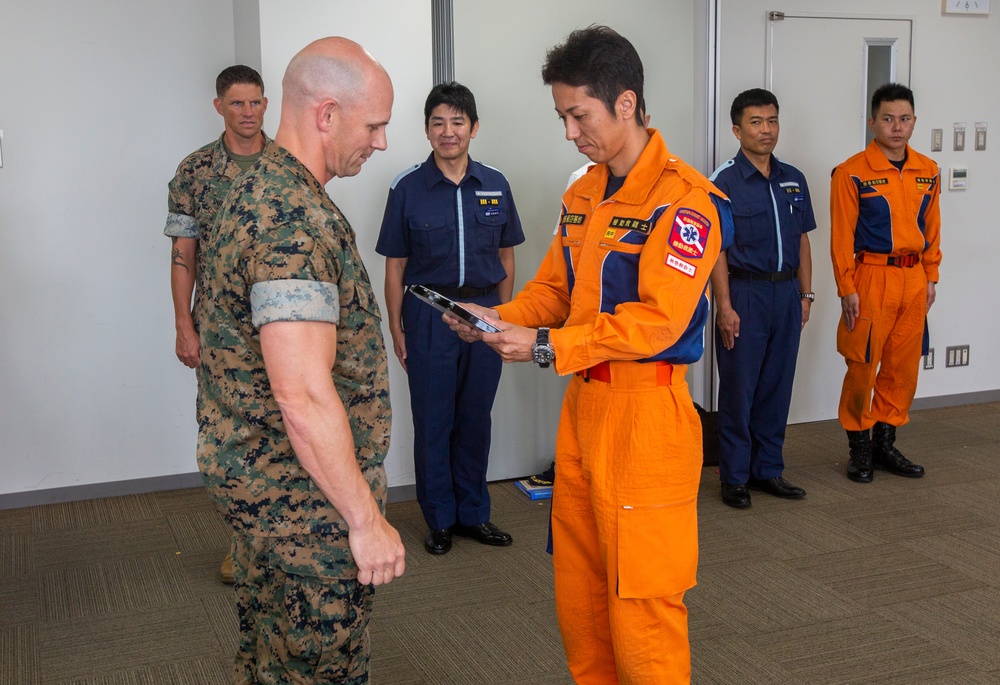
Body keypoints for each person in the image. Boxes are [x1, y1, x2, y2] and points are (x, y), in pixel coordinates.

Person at [446, 26, 732, 684]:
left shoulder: (685, 202)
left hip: (647, 418)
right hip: (585, 411)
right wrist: (498, 317)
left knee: (642, 612)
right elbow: (553, 290)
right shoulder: (586, 193)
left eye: (579, 115)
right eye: (562, 117)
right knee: (581, 599)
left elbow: (657, 321)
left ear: (624, 104)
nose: (570, 132)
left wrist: (544, 345)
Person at [196, 37, 405, 683]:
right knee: (317, 666)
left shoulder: (255, 187)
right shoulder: (292, 220)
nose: (381, 142)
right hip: (303, 505)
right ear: (326, 114)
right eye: (374, 125)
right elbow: (302, 393)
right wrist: (365, 521)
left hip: (262, 492)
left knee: (269, 652)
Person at [376, 83, 523, 556]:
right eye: (438, 122)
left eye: (458, 122)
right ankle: (439, 518)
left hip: (484, 315)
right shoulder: (407, 188)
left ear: (473, 128)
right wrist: (397, 326)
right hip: (428, 315)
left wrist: (504, 318)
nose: (448, 131)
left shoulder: (496, 184)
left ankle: (473, 514)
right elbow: (395, 266)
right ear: (426, 130)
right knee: (434, 419)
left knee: (476, 417)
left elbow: (506, 254)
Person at [164, 64, 269, 584]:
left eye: (255, 103)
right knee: (229, 441)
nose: (248, 113)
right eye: (237, 104)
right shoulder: (195, 171)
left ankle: (282, 544)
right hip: (222, 333)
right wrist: (185, 326)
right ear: (219, 107)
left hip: (282, 326)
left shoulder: (288, 164)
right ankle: (241, 545)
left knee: (287, 432)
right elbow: (185, 254)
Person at [708, 88, 815, 508]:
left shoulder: (793, 178)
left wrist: (805, 295)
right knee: (739, 389)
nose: (766, 130)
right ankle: (734, 477)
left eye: (772, 121)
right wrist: (725, 306)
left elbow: (803, 240)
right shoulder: (722, 182)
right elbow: (715, 249)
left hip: (787, 293)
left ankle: (768, 469)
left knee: (777, 386)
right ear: (737, 129)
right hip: (745, 294)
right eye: (756, 122)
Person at [831, 82, 941, 483]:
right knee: (862, 365)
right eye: (889, 119)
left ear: (914, 122)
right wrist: (847, 287)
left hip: (914, 279)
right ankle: (859, 449)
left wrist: (931, 276)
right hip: (871, 276)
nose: (897, 127)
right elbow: (841, 238)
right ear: (872, 122)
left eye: (905, 119)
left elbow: (933, 229)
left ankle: (885, 443)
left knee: (902, 366)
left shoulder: (927, 171)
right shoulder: (852, 173)